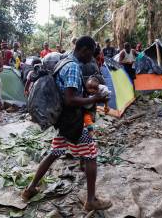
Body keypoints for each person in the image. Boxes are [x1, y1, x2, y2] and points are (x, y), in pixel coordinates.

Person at [22, 36, 112, 212]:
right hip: (73, 120)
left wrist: (87, 89)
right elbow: (70, 99)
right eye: (91, 54)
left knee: (55, 152)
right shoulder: (72, 67)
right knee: (91, 155)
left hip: (63, 120)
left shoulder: (64, 62)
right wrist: (95, 98)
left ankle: (30, 189)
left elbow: (68, 90)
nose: (92, 58)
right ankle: (91, 200)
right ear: (84, 50)